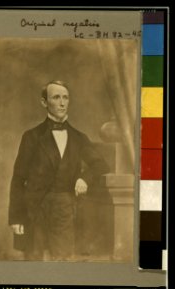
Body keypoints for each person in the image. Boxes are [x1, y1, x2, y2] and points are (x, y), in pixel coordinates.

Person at [8, 80, 109, 261]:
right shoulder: (31, 136)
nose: (62, 103)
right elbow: (18, 178)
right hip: (33, 207)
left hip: (64, 206)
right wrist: (16, 217)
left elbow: (100, 164)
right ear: (44, 102)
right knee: (33, 259)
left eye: (65, 97)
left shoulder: (79, 138)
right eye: (56, 97)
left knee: (62, 259)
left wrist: (84, 178)